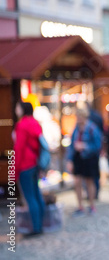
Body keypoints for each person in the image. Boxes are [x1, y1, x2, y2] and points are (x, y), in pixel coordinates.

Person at [13, 102, 45, 237]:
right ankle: (41, 223)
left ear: (22, 109)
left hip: (25, 164)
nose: (15, 109)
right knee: (36, 194)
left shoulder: (22, 125)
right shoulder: (35, 123)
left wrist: (14, 170)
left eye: (17, 107)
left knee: (30, 197)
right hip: (35, 163)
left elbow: (18, 148)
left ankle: (36, 228)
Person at [66, 108, 102, 217]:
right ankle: (80, 206)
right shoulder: (76, 129)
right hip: (78, 158)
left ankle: (91, 205)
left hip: (89, 158)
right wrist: (69, 160)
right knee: (77, 181)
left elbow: (97, 145)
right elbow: (71, 145)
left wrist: (85, 146)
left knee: (89, 182)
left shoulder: (92, 128)